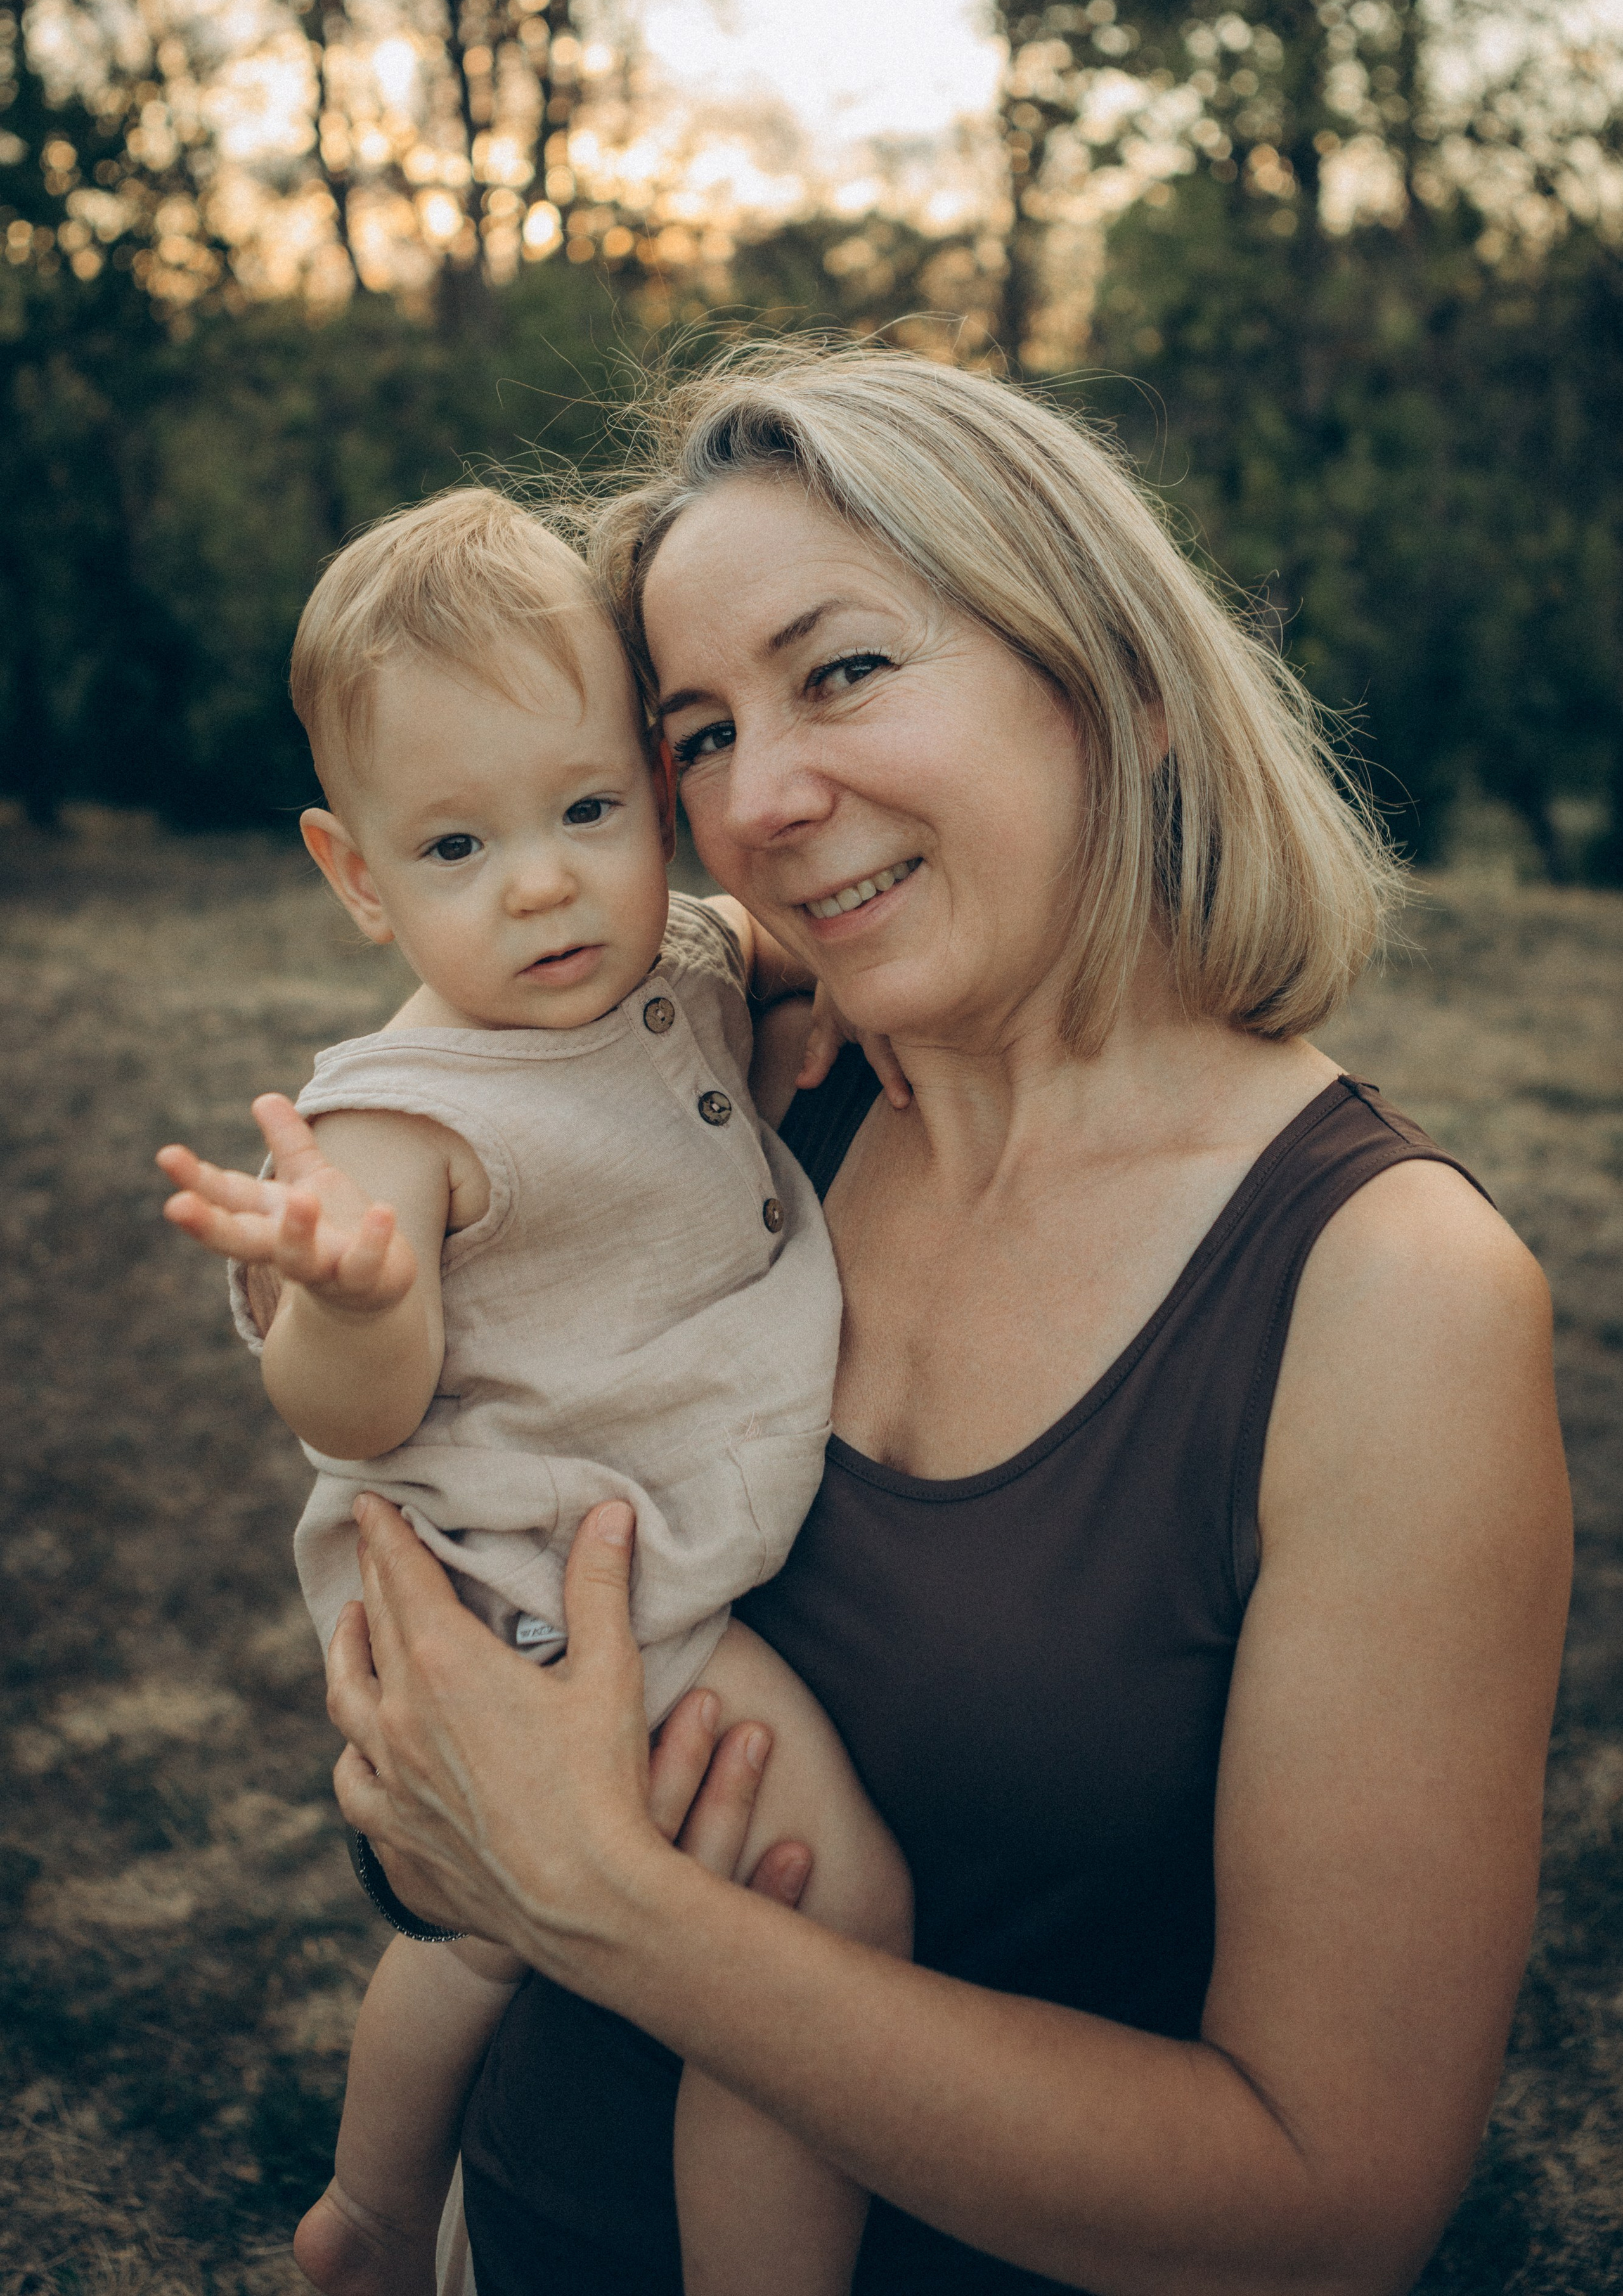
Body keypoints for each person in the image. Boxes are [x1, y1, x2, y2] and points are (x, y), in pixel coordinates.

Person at [316, 344, 1572, 2296]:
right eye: (699, 734)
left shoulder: (1382, 1292)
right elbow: (460, 1731)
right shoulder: (741, 1106)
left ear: (1125, 687)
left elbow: (1327, 2214)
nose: (759, 802)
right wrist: (430, 1823)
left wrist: (608, 1905)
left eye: (840, 672)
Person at [155, 487, 912, 2296]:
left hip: (627, 1538)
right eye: (457, 846)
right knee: (823, 1918)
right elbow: (349, 1415)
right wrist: (354, 1296)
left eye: (585, 811)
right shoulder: (402, 1118)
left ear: (655, 790)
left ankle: (371, 2215)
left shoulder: (682, 959)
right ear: (358, 877)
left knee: (491, 1935)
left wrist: (825, 994)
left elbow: (779, 956)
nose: (545, 882)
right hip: (542, 1587)